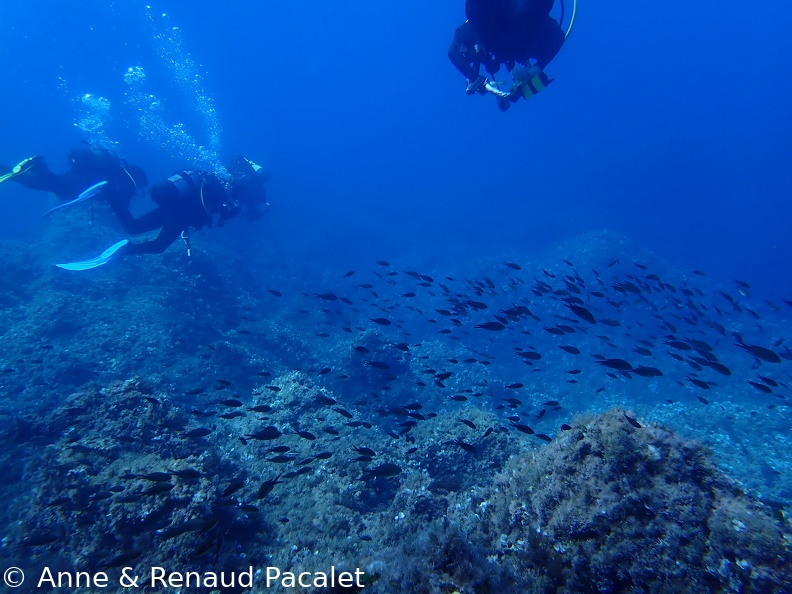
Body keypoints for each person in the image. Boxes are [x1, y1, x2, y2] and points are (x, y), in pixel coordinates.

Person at [448, 0, 568, 111]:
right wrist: (477, 79)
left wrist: (534, 70)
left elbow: (558, 37)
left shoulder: (537, 12)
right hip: (506, 37)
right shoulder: (480, 12)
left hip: (515, 40)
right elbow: (453, 52)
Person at [0, 142, 147, 208]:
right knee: (64, 190)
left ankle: (7, 169)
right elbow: (122, 204)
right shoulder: (127, 182)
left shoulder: (118, 172)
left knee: (37, 184)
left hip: (80, 175)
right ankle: (39, 167)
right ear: (138, 179)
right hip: (82, 182)